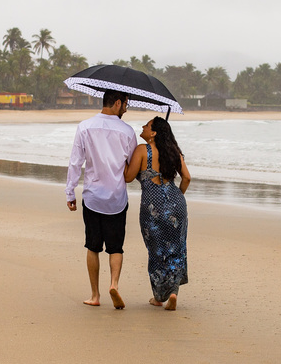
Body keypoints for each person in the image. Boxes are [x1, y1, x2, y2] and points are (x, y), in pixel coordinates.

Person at [66, 90, 137, 308]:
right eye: (126, 104)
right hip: (117, 199)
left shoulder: (85, 127)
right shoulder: (127, 131)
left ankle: (95, 295)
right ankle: (114, 284)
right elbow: (133, 166)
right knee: (116, 248)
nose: (126, 109)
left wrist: (70, 192)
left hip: (93, 197)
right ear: (117, 103)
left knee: (93, 246)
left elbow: (75, 162)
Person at [124, 116, 191, 311]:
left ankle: (159, 297)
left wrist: (122, 160)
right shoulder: (173, 151)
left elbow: (128, 177)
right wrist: (176, 199)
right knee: (176, 249)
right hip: (176, 205)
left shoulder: (142, 150)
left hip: (152, 207)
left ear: (153, 133)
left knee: (156, 251)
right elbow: (187, 178)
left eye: (147, 125)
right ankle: (173, 293)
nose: (143, 127)